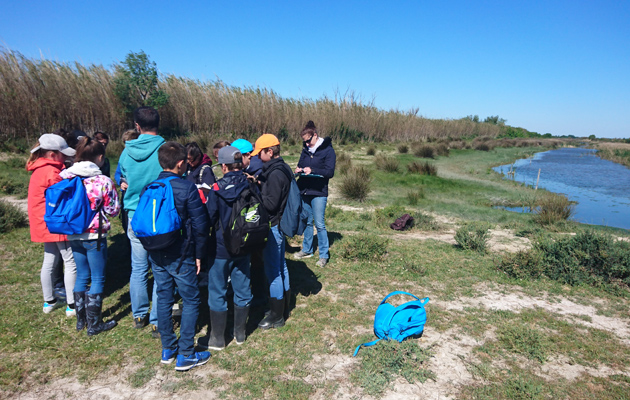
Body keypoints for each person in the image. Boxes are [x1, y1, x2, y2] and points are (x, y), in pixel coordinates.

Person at [147, 141, 210, 371]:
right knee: (191, 299)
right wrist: (199, 255)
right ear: (181, 164)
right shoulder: (187, 188)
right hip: (181, 254)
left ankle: (168, 349)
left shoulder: (150, 187)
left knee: (163, 298)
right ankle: (185, 354)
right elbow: (201, 226)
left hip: (155, 253)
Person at [60, 137, 120, 335]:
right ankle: (95, 324)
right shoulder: (102, 181)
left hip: (73, 232)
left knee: (81, 275)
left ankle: (81, 320)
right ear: (100, 157)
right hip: (94, 235)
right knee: (97, 278)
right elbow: (113, 210)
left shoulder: (67, 177)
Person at [118, 107, 165, 334]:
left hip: (134, 213)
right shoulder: (167, 150)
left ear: (137, 126)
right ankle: (157, 318)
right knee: (159, 267)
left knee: (138, 267)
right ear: (158, 123)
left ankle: (139, 315)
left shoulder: (126, 152)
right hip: (159, 213)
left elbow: (123, 177)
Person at [203, 146, 253, 350]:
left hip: (221, 248)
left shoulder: (216, 190)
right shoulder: (251, 185)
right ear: (240, 164)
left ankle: (217, 338)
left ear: (223, 167)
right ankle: (240, 333)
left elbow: (209, 218)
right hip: (245, 244)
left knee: (217, 290)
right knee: (242, 287)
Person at [26, 133, 77, 317]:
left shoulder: (39, 169)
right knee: (70, 261)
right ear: (52, 154)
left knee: (49, 260)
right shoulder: (52, 172)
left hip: (43, 223)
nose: (66, 157)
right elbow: (64, 195)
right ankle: (72, 305)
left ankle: (49, 301)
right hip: (56, 223)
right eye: (63, 154)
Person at [251, 134, 292, 329]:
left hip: (274, 226)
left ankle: (276, 315)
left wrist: (254, 195)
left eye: (260, 153)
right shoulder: (280, 168)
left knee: (273, 271)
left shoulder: (275, 174)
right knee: (281, 265)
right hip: (280, 224)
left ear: (270, 151)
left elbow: (270, 204)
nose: (257, 157)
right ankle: (283, 307)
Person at [293, 121, 336, 267]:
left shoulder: (328, 150)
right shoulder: (305, 150)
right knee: (306, 222)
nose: (306, 144)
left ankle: (323, 255)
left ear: (315, 136)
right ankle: (307, 250)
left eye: (308, 141)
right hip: (304, 190)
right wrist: (298, 170)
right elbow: (300, 164)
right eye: (304, 142)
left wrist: (313, 170)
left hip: (319, 192)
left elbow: (330, 172)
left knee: (320, 224)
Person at [115, 129, 140, 235]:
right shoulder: (124, 155)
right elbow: (117, 173)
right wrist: (120, 181)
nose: (126, 147)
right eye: (125, 144)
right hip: (126, 192)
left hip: (138, 193)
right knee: (126, 222)